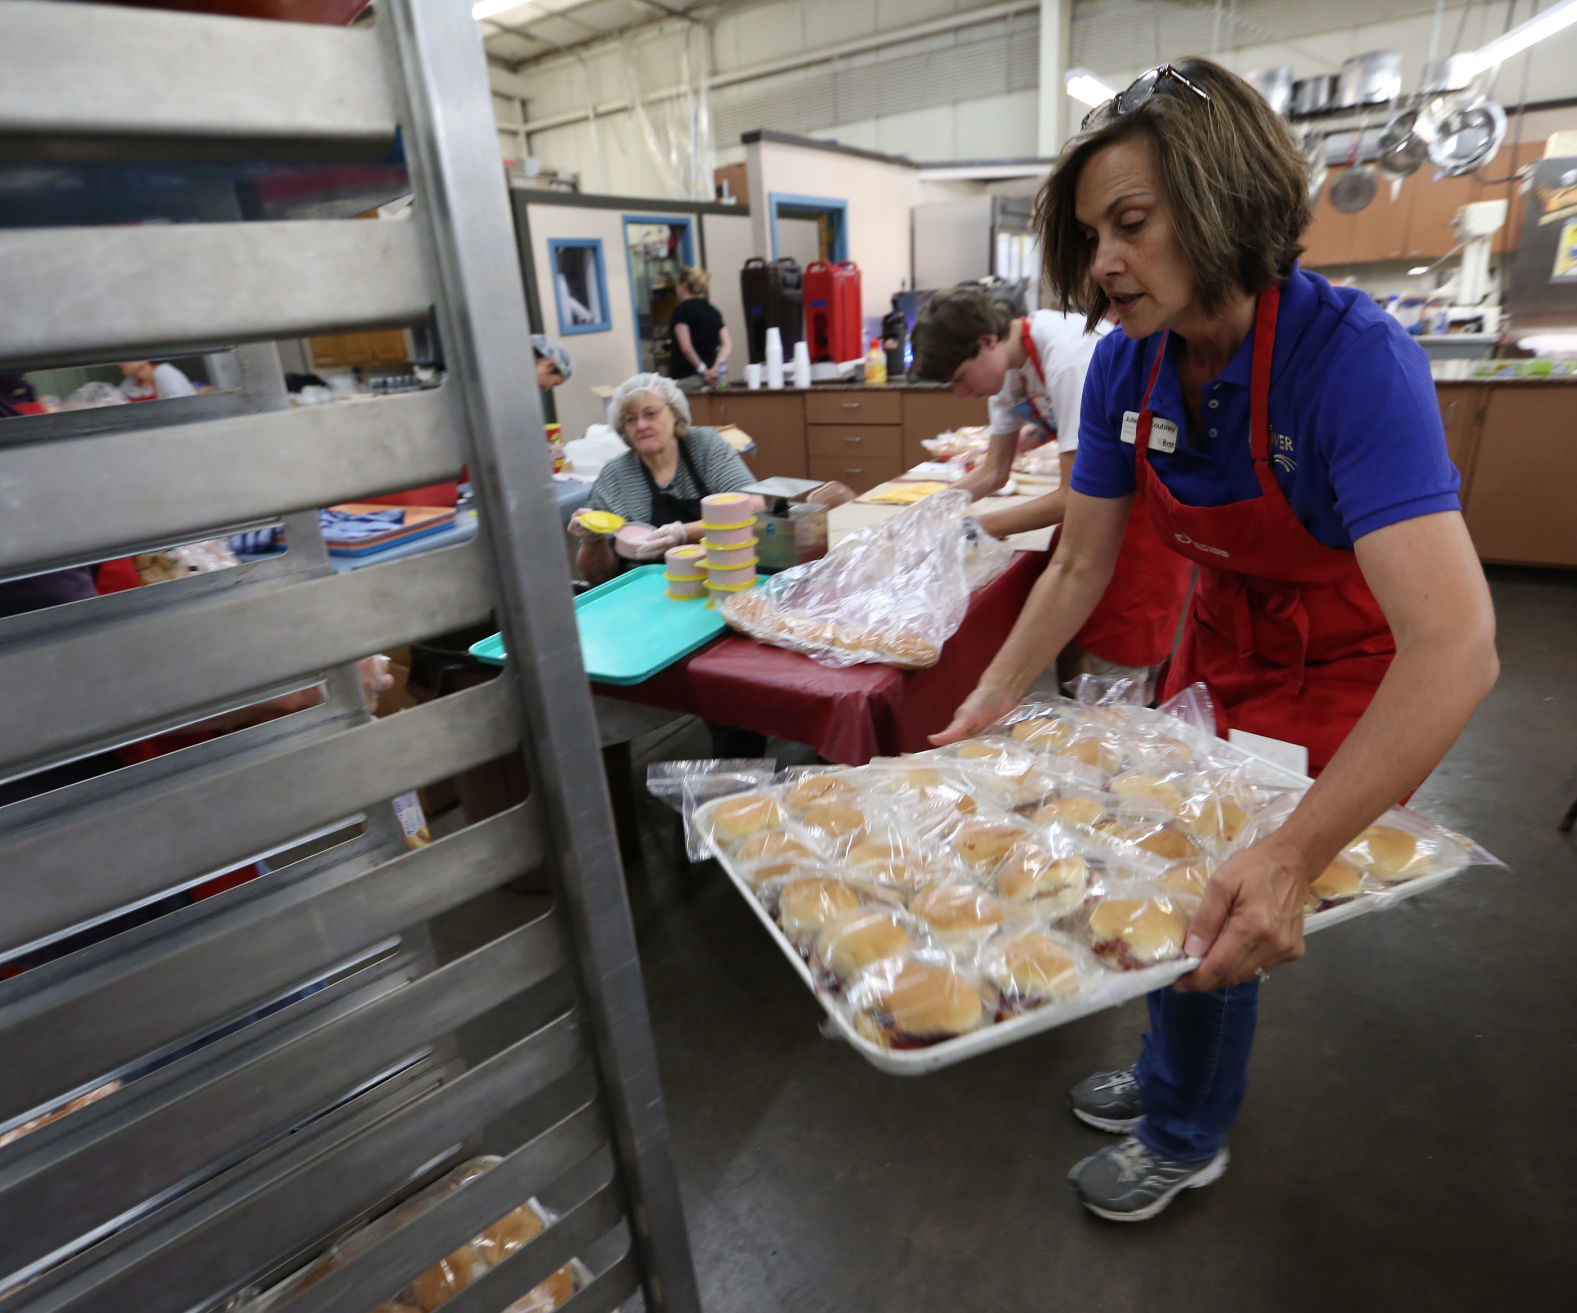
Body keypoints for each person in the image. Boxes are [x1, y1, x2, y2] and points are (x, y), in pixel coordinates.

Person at [932, 59, 1497, 1221]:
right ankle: (1162, 1067)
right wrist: (991, 693)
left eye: (1128, 224)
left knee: (1223, 897)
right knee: (1154, 856)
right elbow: (1083, 557)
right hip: (1221, 641)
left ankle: (1186, 1130)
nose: (1099, 264)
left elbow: (1453, 646)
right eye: (1090, 234)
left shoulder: (1348, 361)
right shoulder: (1131, 363)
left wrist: (1292, 854)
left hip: (1350, 660)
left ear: (1224, 195)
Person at [911, 286, 1193, 698]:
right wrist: (926, 512)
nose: (962, 393)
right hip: (1092, 516)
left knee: (1115, 677)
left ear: (986, 343)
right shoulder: (1008, 368)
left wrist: (970, 527)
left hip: (1136, 520)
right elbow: (993, 471)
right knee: (1069, 644)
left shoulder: (1067, 356)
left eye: (959, 378)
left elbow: (1071, 496)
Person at [569, 373, 763, 587]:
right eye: (631, 419)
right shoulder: (615, 477)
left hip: (717, 578)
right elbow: (598, 577)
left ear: (675, 413)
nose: (641, 425)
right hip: (645, 591)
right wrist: (592, 540)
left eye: (650, 414)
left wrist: (683, 533)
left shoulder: (704, 447)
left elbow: (755, 506)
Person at [666, 266, 730, 391]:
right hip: (716, 379)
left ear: (683, 285)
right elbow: (727, 344)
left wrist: (703, 370)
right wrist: (716, 368)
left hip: (688, 377)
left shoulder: (681, 311)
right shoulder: (713, 311)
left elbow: (686, 348)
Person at [118, 359, 196, 401]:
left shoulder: (164, 371)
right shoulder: (130, 381)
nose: (120, 363)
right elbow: (119, 399)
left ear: (142, 359)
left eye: (125, 358)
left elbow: (177, 404)